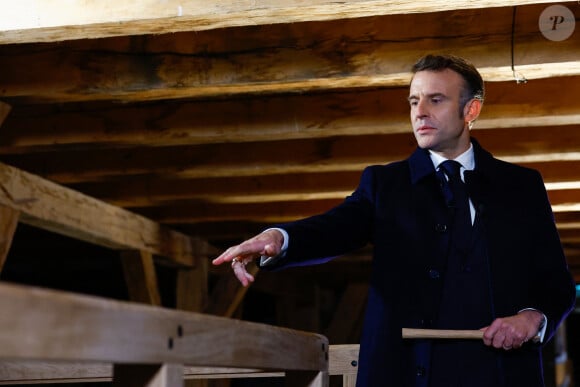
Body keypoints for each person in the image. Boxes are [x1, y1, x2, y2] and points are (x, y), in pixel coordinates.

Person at [212, 54, 576, 387]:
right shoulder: (385, 184)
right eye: (414, 101)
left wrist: (532, 318)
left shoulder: (521, 187)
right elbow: (337, 227)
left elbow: (555, 283)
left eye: (436, 99)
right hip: (405, 375)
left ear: (472, 109)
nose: (420, 112)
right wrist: (280, 237)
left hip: (500, 375)